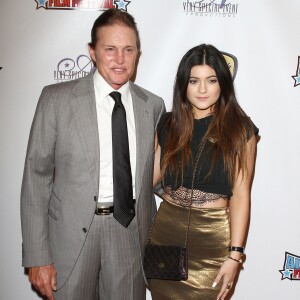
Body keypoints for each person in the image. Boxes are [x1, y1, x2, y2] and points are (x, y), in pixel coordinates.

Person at [21, 8, 165, 300]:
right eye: (109, 49)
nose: (120, 59)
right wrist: (37, 255)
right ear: (92, 51)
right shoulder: (56, 100)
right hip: (71, 238)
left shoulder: (153, 106)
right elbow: (36, 178)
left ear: (138, 53)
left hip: (129, 233)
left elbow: (156, 176)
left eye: (128, 49)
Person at [149, 44, 258, 300]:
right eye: (193, 81)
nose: (201, 90)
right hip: (165, 233)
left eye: (211, 80)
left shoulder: (241, 130)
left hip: (211, 241)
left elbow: (241, 196)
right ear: (183, 85)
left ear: (223, 84)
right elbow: (148, 180)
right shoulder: (168, 123)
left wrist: (235, 255)